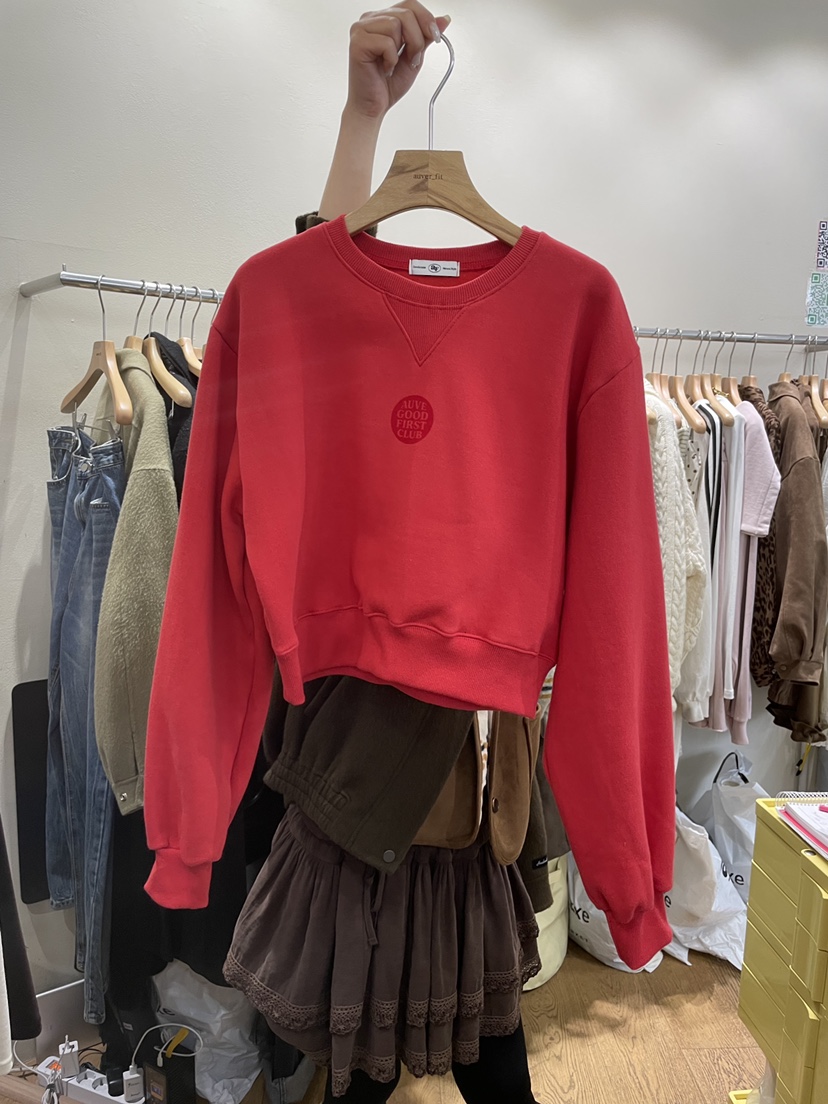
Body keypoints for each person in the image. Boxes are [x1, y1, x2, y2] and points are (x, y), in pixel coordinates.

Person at [222, 5, 544, 1102]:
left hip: (479, 808)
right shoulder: (347, 358)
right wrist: (363, 119)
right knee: (358, 1071)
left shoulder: (527, 349)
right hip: (368, 788)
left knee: (492, 1062)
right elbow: (321, 286)